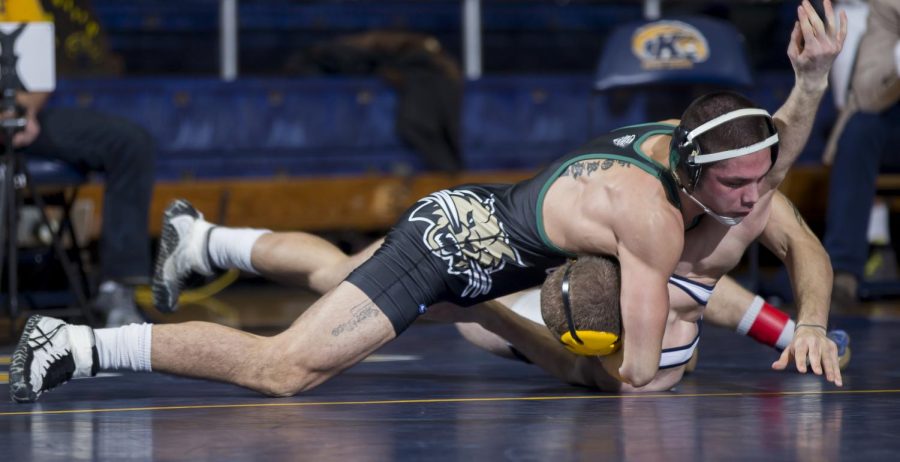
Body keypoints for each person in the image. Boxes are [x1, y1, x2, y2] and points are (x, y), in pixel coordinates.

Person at [9, 0, 846, 403]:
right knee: (284, 368)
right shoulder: (649, 218)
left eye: (756, 181)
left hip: (492, 252)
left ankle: (207, 244)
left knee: (563, 360)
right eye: (737, 187)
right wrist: (676, 349)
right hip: (454, 244)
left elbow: (774, 181)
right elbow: (631, 374)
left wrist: (808, 85)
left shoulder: (703, 150)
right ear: (693, 176)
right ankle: (78, 344)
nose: (753, 199)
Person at [0, 1, 156, 327]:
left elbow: (36, 58)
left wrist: (24, 110)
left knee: (128, 142)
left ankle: (117, 289)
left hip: (17, 114)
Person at [821, 0, 900, 307]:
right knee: (859, 129)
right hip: (891, 120)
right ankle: (843, 272)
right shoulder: (888, 7)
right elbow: (866, 93)